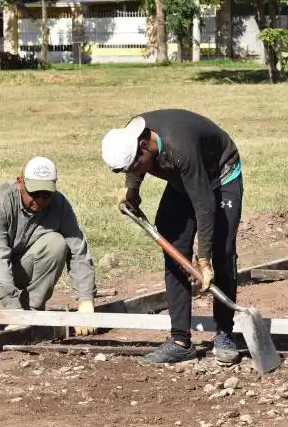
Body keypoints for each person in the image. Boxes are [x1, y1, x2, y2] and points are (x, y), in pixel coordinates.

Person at [102, 109, 243, 366]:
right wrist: (132, 190)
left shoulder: (180, 148)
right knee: (173, 248)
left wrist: (204, 261)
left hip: (220, 174)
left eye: (134, 165)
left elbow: (205, 206)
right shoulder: (132, 135)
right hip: (183, 180)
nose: (134, 170)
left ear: (145, 146)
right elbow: (135, 169)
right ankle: (180, 341)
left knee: (222, 253)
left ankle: (224, 334)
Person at [0, 156, 98, 332]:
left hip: (24, 264)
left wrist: (86, 301)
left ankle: (32, 311)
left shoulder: (59, 205)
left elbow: (78, 250)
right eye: (34, 193)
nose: (40, 200)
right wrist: (13, 310)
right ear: (19, 182)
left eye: (46, 195)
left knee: (57, 243)